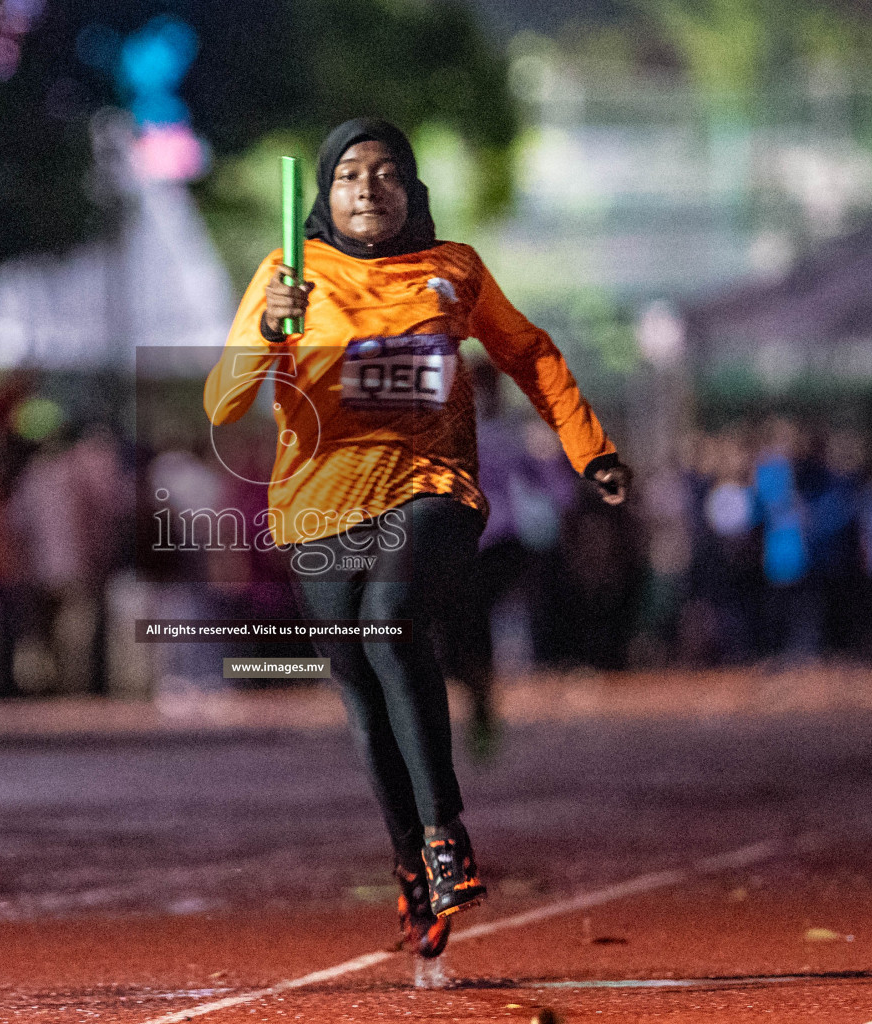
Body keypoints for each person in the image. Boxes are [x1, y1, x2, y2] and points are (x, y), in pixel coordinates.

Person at [204, 118, 630, 960]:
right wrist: (268, 333)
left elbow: (531, 354)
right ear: (324, 196)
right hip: (317, 506)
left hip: (432, 487)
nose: (369, 188)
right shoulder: (288, 274)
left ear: (413, 190)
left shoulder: (453, 270)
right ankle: (408, 860)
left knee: (391, 624)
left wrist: (590, 446)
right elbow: (220, 402)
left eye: (387, 172)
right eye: (350, 176)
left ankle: (445, 834)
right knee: (361, 688)